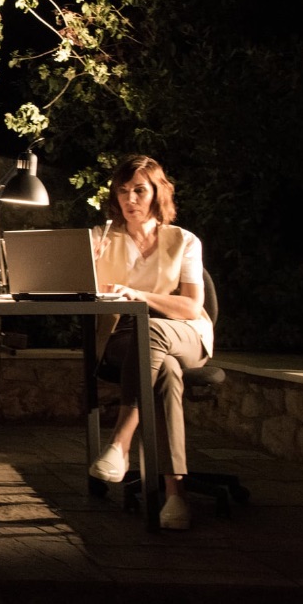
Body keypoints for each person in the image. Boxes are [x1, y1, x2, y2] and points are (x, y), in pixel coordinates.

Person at [88, 154, 213, 530]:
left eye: (139, 190)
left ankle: (121, 442)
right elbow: (77, 296)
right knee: (166, 373)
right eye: (123, 190)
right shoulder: (100, 238)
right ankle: (176, 493)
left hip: (185, 332)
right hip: (123, 337)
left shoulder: (184, 241)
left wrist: (138, 295)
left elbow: (191, 306)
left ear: (158, 192)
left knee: (154, 332)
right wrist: (88, 267)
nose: (130, 199)